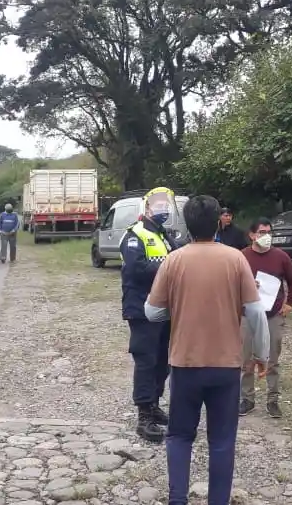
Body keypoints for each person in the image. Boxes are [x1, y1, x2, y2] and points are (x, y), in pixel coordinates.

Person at [144, 195, 270, 505]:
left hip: (185, 364)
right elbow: (256, 312)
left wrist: (177, 309)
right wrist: (261, 354)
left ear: (187, 225)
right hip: (225, 366)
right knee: (222, 440)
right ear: (217, 223)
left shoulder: (174, 260)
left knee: (179, 435)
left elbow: (152, 312)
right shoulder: (235, 259)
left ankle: (178, 499)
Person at [120, 187, 181, 443]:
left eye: (166, 205)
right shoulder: (135, 235)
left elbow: (179, 260)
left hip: (165, 308)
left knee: (162, 361)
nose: (163, 209)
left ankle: (154, 403)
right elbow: (136, 269)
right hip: (142, 309)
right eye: (158, 205)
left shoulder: (164, 236)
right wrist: (168, 267)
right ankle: (144, 415)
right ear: (146, 208)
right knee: (146, 361)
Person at [238, 216, 292, 418]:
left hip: (273, 315)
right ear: (252, 235)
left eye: (269, 232)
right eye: (262, 233)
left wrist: (290, 303)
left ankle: (273, 400)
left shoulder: (280, 256)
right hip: (248, 315)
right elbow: (231, 283)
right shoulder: (241, 257)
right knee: (246, 359)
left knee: (273, 359)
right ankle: (247, 399)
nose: (266, 236)